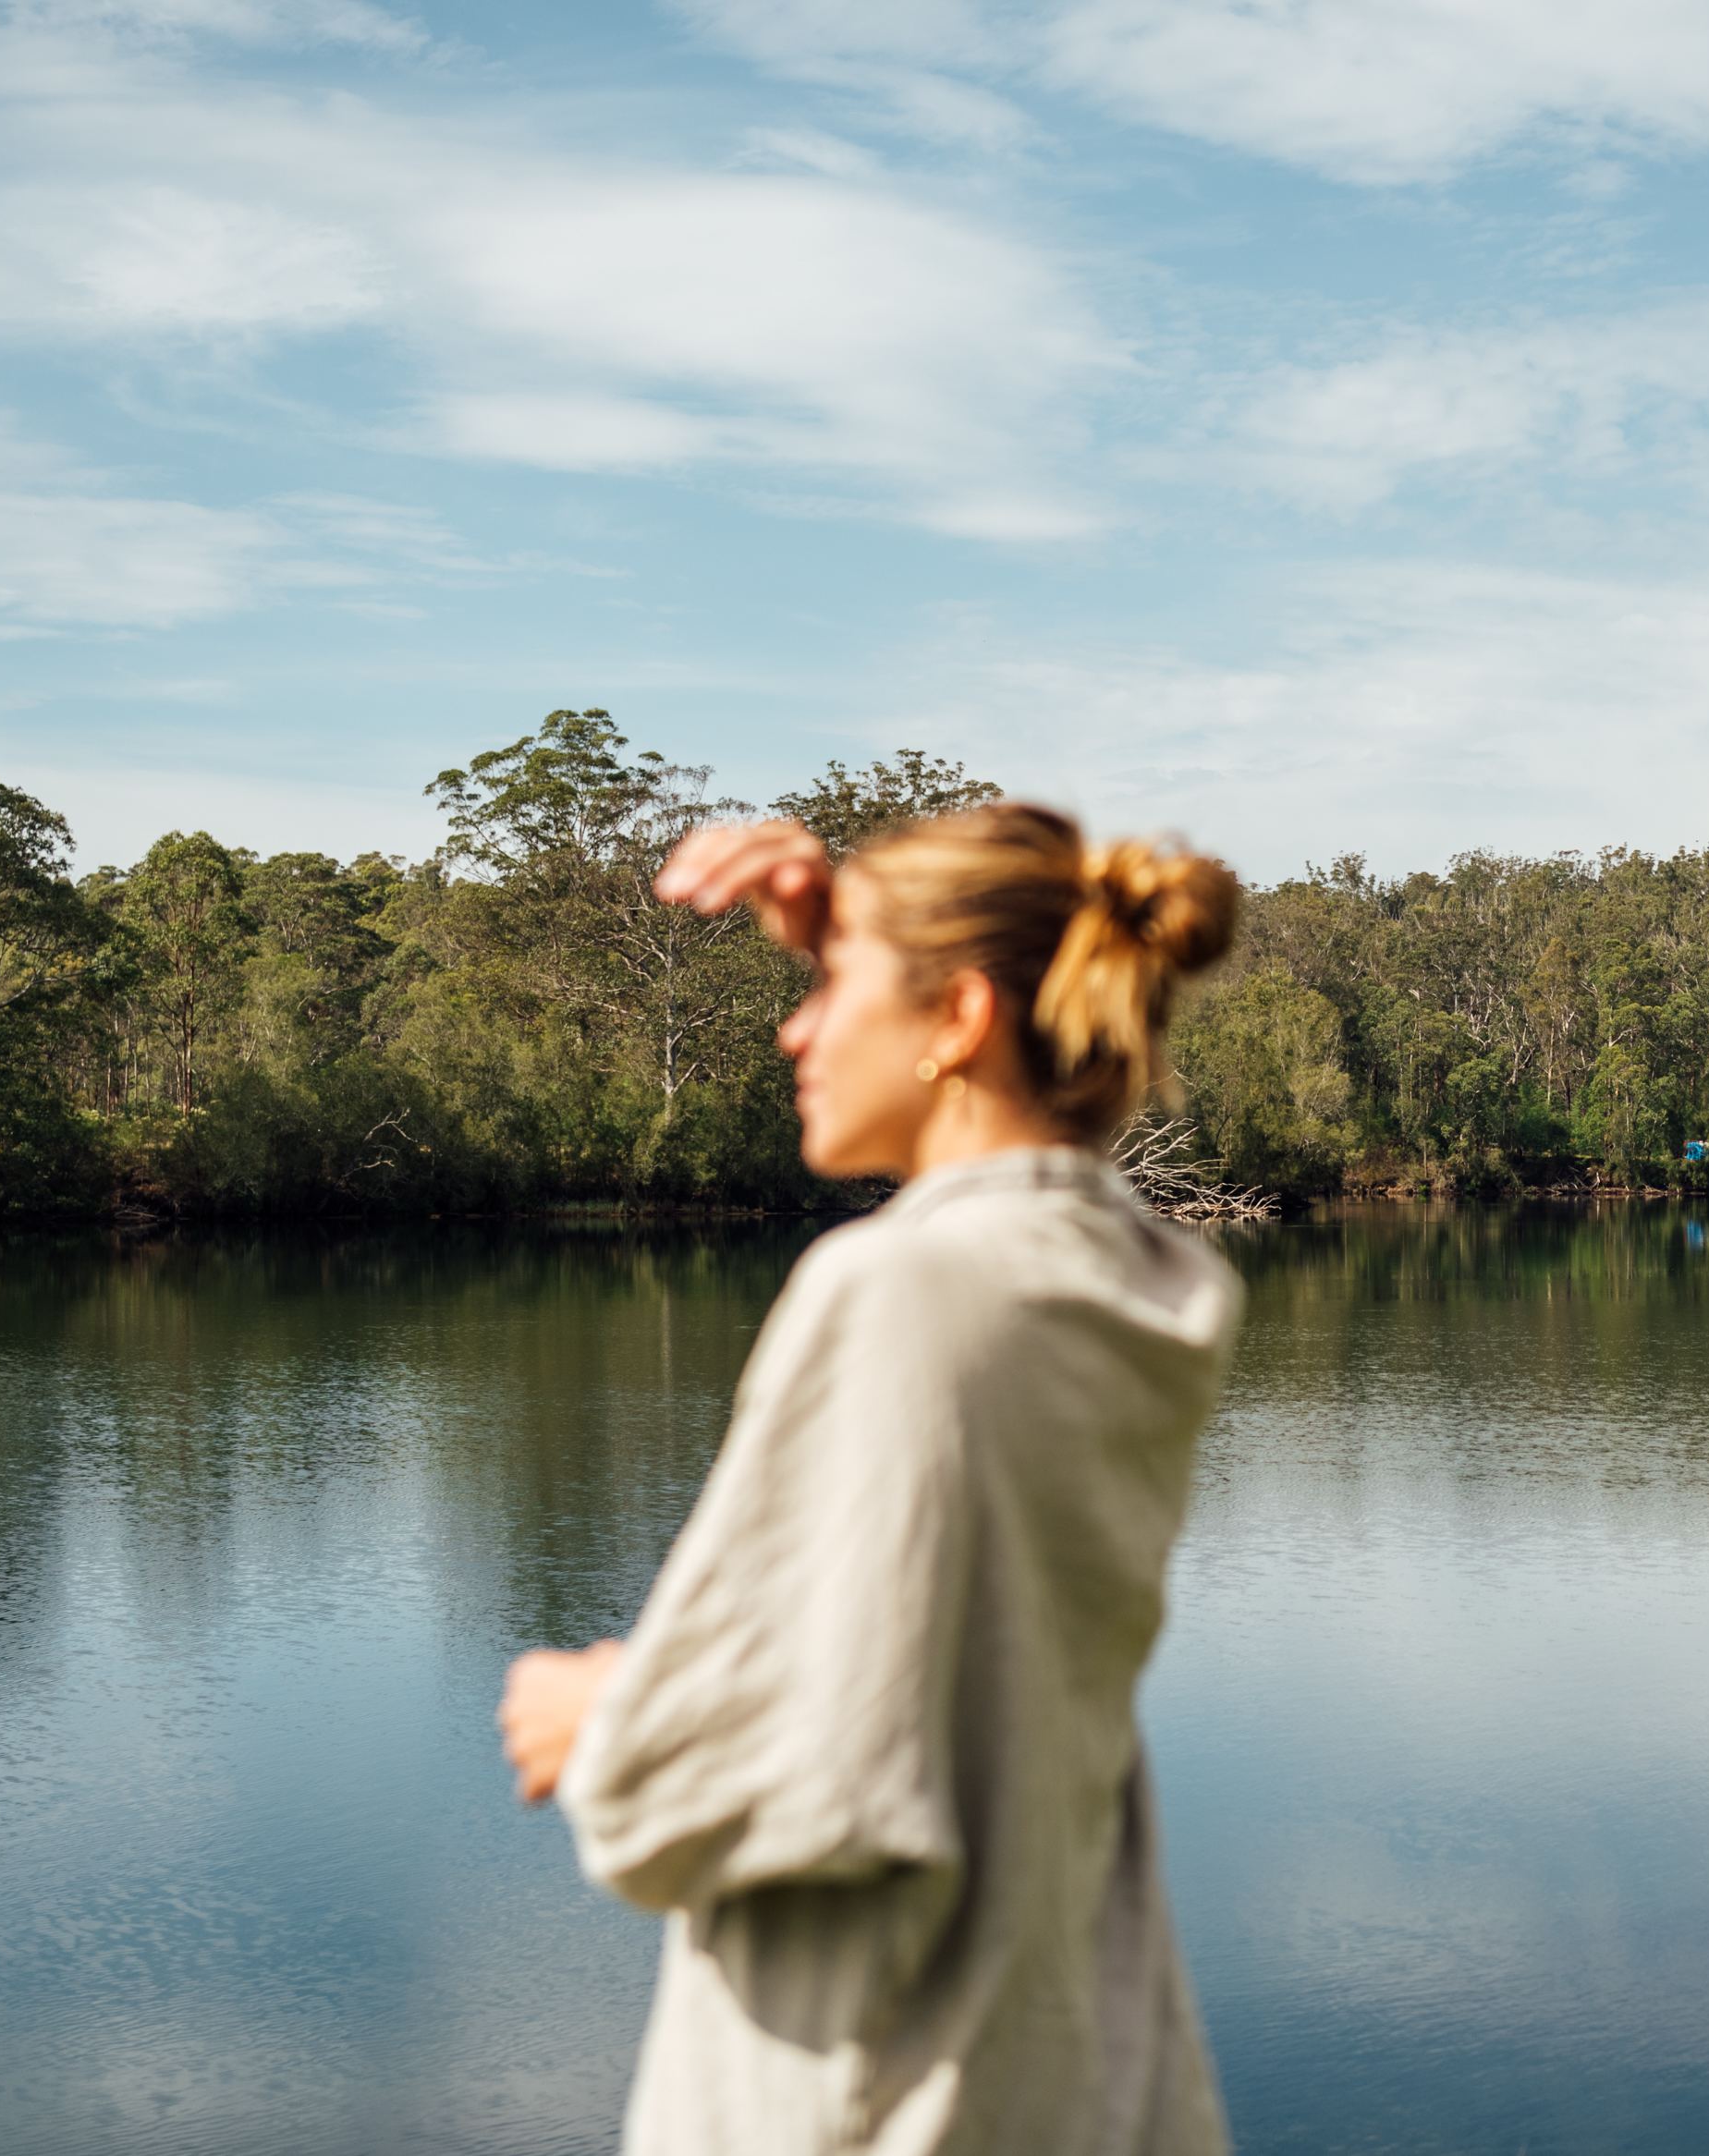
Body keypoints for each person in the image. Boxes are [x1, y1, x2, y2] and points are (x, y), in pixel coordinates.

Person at [497, 801, 1247, 2156]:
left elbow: (832, 1770)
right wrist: (857, 931)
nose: (796, 1029)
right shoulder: (1129, 1287)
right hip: (1064, 2076)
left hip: (879, 2094)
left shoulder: (896, 1289)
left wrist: (601, 1716)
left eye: (830, 990)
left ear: (960, 1018)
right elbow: (934, 1686)